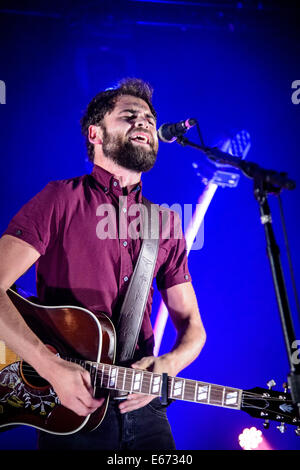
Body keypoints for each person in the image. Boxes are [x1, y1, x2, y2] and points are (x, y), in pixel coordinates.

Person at [0, 78, 206, 450]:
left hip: (144, 412)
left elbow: (193, 328)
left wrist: (168, 365)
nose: (143, 122)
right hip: (68, 407)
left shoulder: (165, 222)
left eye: (148, 118)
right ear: (95, 133)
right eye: (129, 115)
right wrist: (49, 367)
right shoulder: (59, 199)